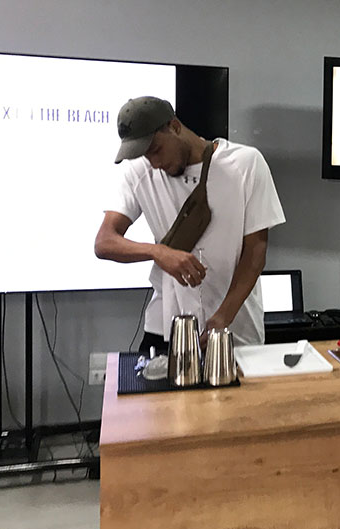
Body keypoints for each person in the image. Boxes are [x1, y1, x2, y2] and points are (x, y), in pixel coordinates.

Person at [95, 96, 285, 349]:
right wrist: (157, 252)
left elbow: (255, 252)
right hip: (167, 328)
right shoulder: (140, 173)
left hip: (236, 327)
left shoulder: (245, 164)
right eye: (145, 155)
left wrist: (224, 316)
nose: (155, 163)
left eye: (156, 150)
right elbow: (105, 242)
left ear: (174, 126)